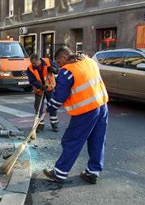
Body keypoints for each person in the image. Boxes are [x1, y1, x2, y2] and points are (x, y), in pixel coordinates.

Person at [43, 46, 109, 184]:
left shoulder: (67, 71)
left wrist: (49, 108)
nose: (59, 66)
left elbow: (60, 95)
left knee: (71, 140)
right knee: (97, 139)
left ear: (63, 57)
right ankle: (93, 172)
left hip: (86, 110)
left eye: (59, 62)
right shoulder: (89, 61)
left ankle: (60, 173)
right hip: (102, 105)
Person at [27, 53, 59, 132]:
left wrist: (53, 69)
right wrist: (40, 86)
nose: (33, 65)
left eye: (35, 63)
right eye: (32, 63)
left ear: (39, 60)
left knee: (52, 105)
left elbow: (57, 70)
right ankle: (40, 125)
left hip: (50, 88)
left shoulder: (48, 62)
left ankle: (54, 124)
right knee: (38, 108)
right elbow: (32, 81)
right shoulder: (30, 68)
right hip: (39, 90)